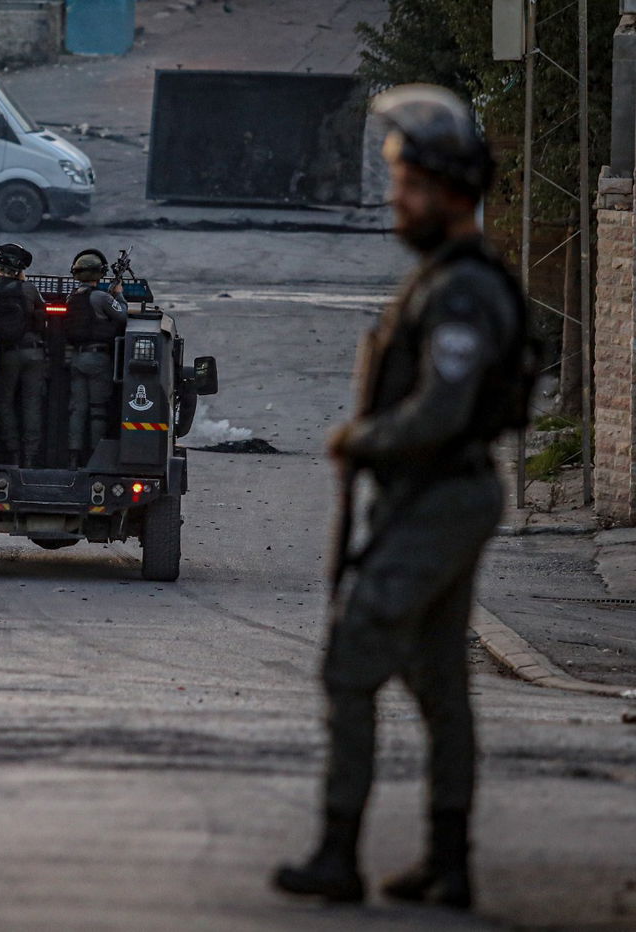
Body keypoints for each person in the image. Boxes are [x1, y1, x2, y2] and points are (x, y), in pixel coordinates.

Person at [274, 85, 531, 910]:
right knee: (439, 683)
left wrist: (361, 440)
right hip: (437, 496)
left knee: (352, 665)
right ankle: (449, 864)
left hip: (440, 497)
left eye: (412, 185)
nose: (397, 199)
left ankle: (338, 854)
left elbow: (442, 408)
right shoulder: (444, 278)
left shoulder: (460, 288)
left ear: (455, 193)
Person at [0, 242, 46, 466]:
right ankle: (30, 456)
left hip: (6, 355)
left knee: (4, 402)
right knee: (32, 404)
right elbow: (42, 317)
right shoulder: (28, 289)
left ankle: (13, 451)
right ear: (19, 267)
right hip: (34, 354)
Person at [65, 250, 127, 466]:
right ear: (98, 273)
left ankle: (73, 456)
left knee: (77, 409)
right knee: (97, 410)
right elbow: (123, 315)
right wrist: (118, 293)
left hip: (77, 359)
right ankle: (94, 457)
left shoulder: (73, 297)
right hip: (98, 360)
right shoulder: (101, 297)